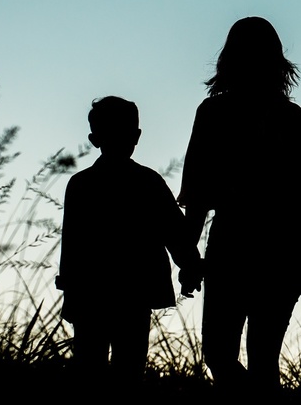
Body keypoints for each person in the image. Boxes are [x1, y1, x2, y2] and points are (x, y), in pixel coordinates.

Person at [178, 17, 301, 393]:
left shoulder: (214, 113)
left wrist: (189, 256)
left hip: (238, 245)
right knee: (257, 357)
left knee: (222, 354)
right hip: (276, 251)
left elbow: (197, 194)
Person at [56, 96, 202, 377]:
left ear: (94, 139)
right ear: (137, 136)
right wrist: (191, 266)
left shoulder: (81, 184)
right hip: (135, 293)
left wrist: (70, 289)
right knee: (129, 370)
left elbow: (72, 246)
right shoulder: (149, 182)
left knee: (89, 369)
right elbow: (176, 233)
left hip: (90, 295)